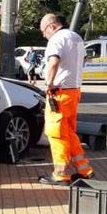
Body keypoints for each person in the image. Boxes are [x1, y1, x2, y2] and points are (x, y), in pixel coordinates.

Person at [37, 13, 94, 185]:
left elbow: (54, 62)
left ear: (51, 26)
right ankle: (84, 169)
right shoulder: (76, 37)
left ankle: (60, 174)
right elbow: (83, 61)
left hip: (59, 94)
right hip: (74, 92)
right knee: (69, 132)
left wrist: (49, 83)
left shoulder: (56, 39)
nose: (44, 35)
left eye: (43, 31)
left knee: (57, 134)